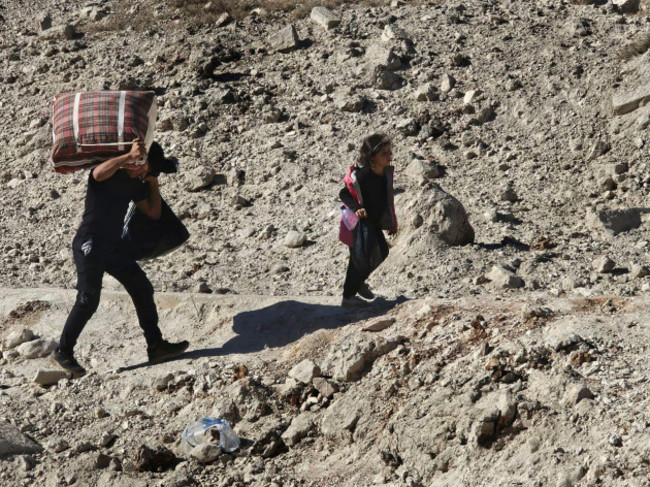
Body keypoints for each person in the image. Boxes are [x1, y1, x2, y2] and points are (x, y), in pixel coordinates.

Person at [51, 139, 189, 377]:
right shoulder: (109, 173)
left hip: (112, 247)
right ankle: (63, 351)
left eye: (148, 168)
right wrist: (128, 158)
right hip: (89, 243)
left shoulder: (137, 184)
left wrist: (152, 179)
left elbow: (153, 212)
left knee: (141, 287)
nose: (144, 170)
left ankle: (155, 346)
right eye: (144, 165)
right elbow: (97, 173)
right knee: (88, 298)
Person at [339, 133, 398, 307]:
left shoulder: (384, 174)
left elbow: (385, 200)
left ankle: (358, 282)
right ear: (372, 157)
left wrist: (390, 223)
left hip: (372, 221)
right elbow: (343, 194)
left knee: (382, 251)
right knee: (359, 257)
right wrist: (357, 209)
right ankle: (348, 296)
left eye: (389, 152)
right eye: (384, 153)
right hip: (356, 221)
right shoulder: (363, 176)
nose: (389, 156)